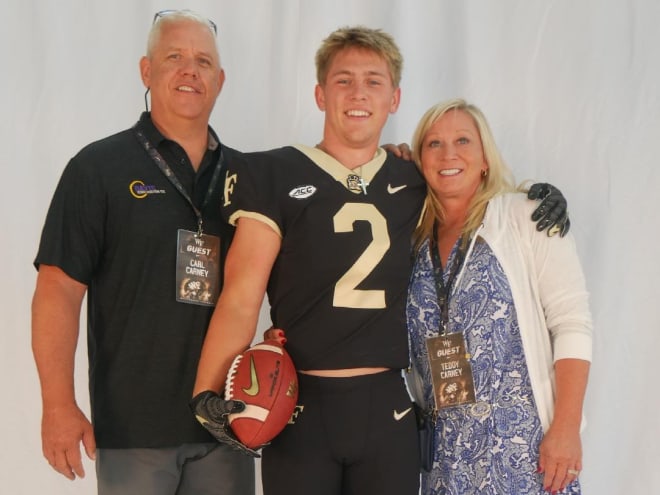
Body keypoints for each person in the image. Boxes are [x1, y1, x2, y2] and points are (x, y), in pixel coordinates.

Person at [189, 27, 569, 495]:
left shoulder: (413, 179)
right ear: (319, 93)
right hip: (300, 405)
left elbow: (470, 191)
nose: (358, 93)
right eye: (343, 80)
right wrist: (205, 389)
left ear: (394, 98)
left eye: (373, 81)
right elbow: (242, 295)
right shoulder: (272, 173)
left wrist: (535, 197)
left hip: (389, 409)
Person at [31, 10, 254, 495]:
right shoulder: (97, 168)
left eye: (203, 61)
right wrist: (57, 404)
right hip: (132, 433)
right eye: (174, 57)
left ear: (221, 80)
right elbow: (58, 289)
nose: (189, 70)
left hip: (226, 429)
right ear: (146, 71)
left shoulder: (248, 178)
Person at [405, 98, 592, 495]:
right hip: (445, 459)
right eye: (433, 144)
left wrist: (566, 427)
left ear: (485, 157)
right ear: (420, 160)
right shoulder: (412, 239)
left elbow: (572, 322)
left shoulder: (527, 217)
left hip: (525, 452)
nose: (449, 154)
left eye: (463, 141)